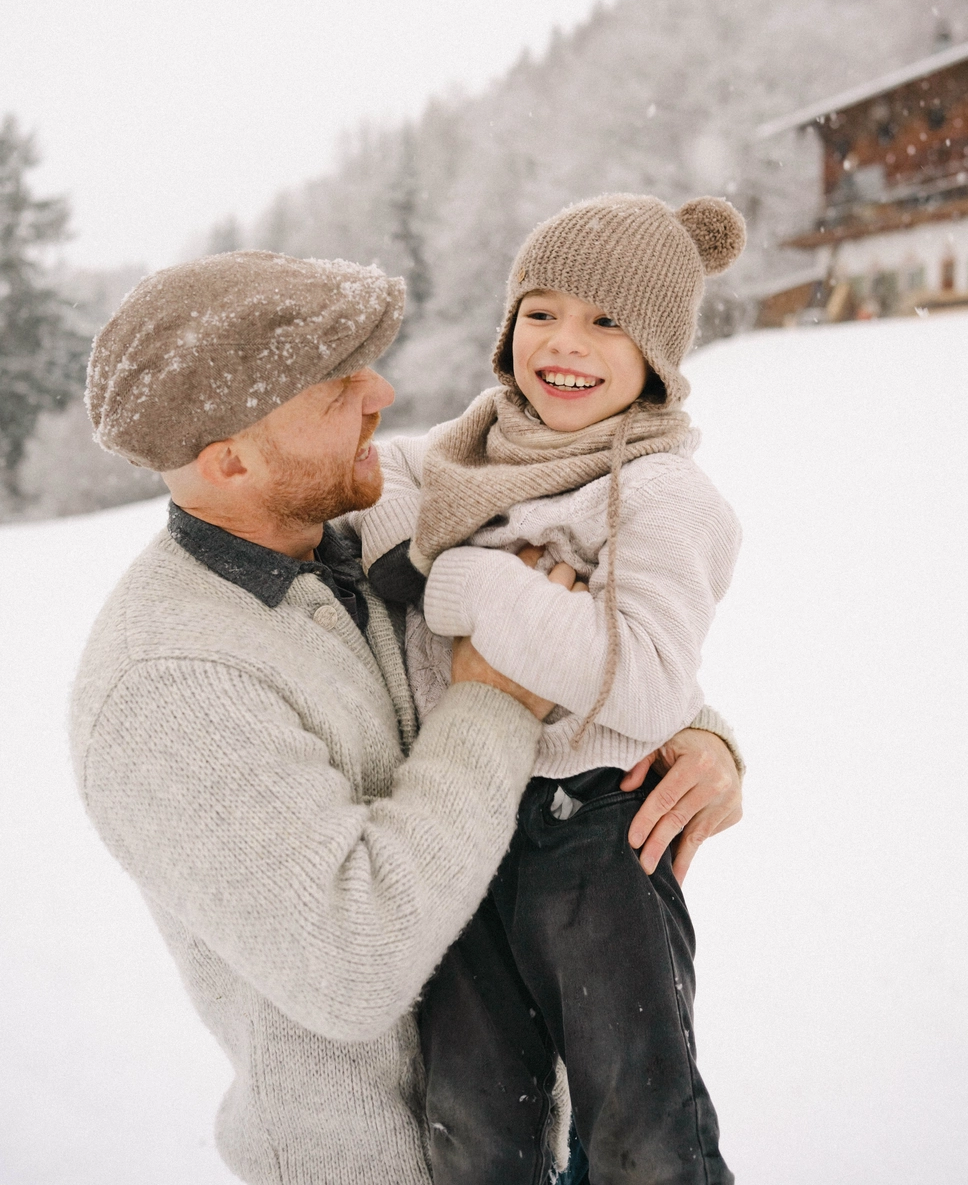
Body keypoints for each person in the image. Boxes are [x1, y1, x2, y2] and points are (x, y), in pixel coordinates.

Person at [70, 247, 743, 1185]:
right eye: (339, 386)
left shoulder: (353, 535)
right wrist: (495, 701)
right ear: (230, 459)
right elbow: (355, 961)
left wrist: (699, 730)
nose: (382, 391)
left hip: (537, 1134)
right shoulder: (167, 689)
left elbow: (587, 628)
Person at [353, 193, 745, 1184]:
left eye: (607, 320)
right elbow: (383, 476)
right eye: (541, 311)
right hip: (464, 819)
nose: (564, 343)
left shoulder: (662, 494)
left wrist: (463, 581)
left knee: (636, 1125)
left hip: (594, 836)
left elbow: (648, 682)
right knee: (476, 1124)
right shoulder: (470, 448)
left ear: (656, 348)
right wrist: (437, 557)